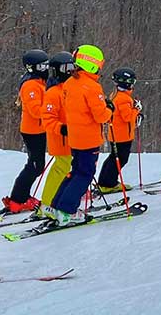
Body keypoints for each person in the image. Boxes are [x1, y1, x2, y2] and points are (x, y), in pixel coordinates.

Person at [41, 44, 112, 226]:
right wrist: (109, 109)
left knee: (75, 172)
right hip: (88, 138)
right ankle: (67, 210)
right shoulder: (92, 87)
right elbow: (100, 116)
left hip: (75, 138)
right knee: (84, 174)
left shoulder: (70, 83)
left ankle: (58, 206)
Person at [2, 49, 49, 214]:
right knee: (35, 166)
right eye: (41, 66)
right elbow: (35, 110)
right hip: (32, 130)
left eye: (46, 65)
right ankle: (17, 199)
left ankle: (22, 196)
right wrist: (52, 110)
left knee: (36, 165)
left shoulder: (40, 82)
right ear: (31, 67)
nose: (45, 68)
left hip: (40, 129)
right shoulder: (30, 85)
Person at [39, 51, 75, 208]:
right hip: (60, 139)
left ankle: (58, 199)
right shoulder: (53, 92)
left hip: (73, 138)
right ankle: (47, 203)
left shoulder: (69, 89)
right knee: (61, 169)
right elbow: (47, 118)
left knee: (67, 169)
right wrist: (62, 129)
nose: (72, 71)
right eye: (68, 68)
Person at [96, 68, 141, 191]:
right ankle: (108, 183)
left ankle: (105, 181)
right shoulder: (123, 98)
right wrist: (137, 110)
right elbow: (127, 117)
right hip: (122, 136)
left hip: (117, 134)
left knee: (114, 157)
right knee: (121, 159)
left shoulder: (116, 95)